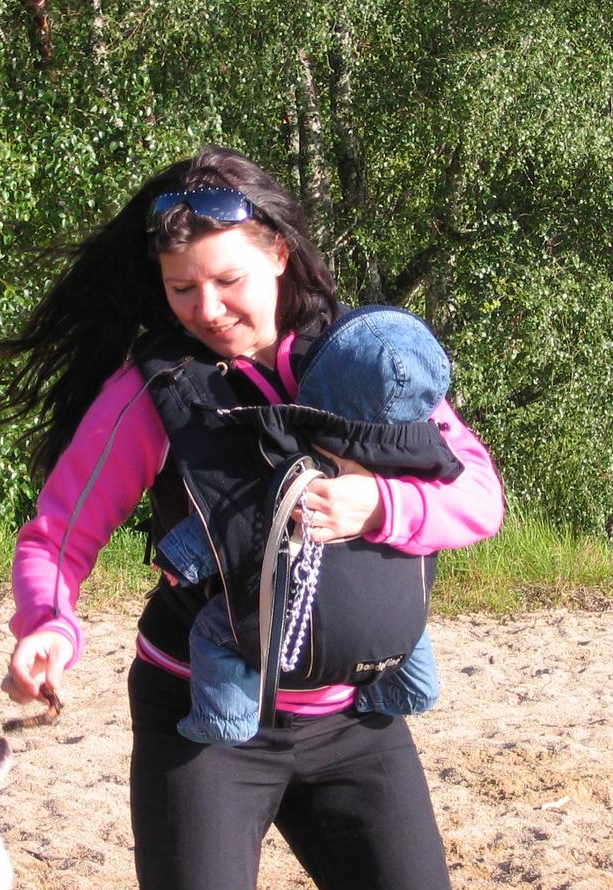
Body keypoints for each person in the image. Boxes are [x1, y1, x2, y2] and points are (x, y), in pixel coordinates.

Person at [0, 146, 504, 890]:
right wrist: (47, 623)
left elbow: (481, 498)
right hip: (202, 724)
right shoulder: (152, 392)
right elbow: (59, 534)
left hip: (355, 720)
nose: (206, 309)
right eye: (182, 288)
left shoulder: (370, 360)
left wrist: (380, 506)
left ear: (278, 252)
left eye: (227, 280)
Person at [155, 305, 453, 746]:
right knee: (406, 627)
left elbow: (236, 514)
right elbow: (467, 501)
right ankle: (413, 692)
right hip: (395, 613)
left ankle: (227, 721)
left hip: (310, 610)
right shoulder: (431, 456)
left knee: (214, 633)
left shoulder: (302, 450)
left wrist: (180, 560)